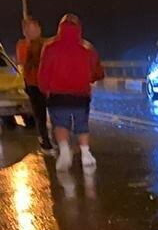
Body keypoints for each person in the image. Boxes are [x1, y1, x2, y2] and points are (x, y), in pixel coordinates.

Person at [36, 13, 104, 172]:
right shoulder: (87, 47)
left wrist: (44, 89)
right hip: (81, 95)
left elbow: (43, 72)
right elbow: (97, 71)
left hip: (57, 95)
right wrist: (91, 78)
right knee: (82, 125)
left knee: (60, 124)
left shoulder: (50, 46)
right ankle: (86, 154)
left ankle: (65, 151)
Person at [15, 16, 53, 152]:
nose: (34, 32)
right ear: (25, 31)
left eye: (35, 28)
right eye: (29, 29)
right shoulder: (22, 45)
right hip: (33, 85)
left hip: (49, 84)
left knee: (55, 112)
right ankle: (45, 140)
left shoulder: (47, 43)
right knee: (40, 114)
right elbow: (23, 62)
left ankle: (58, 139)